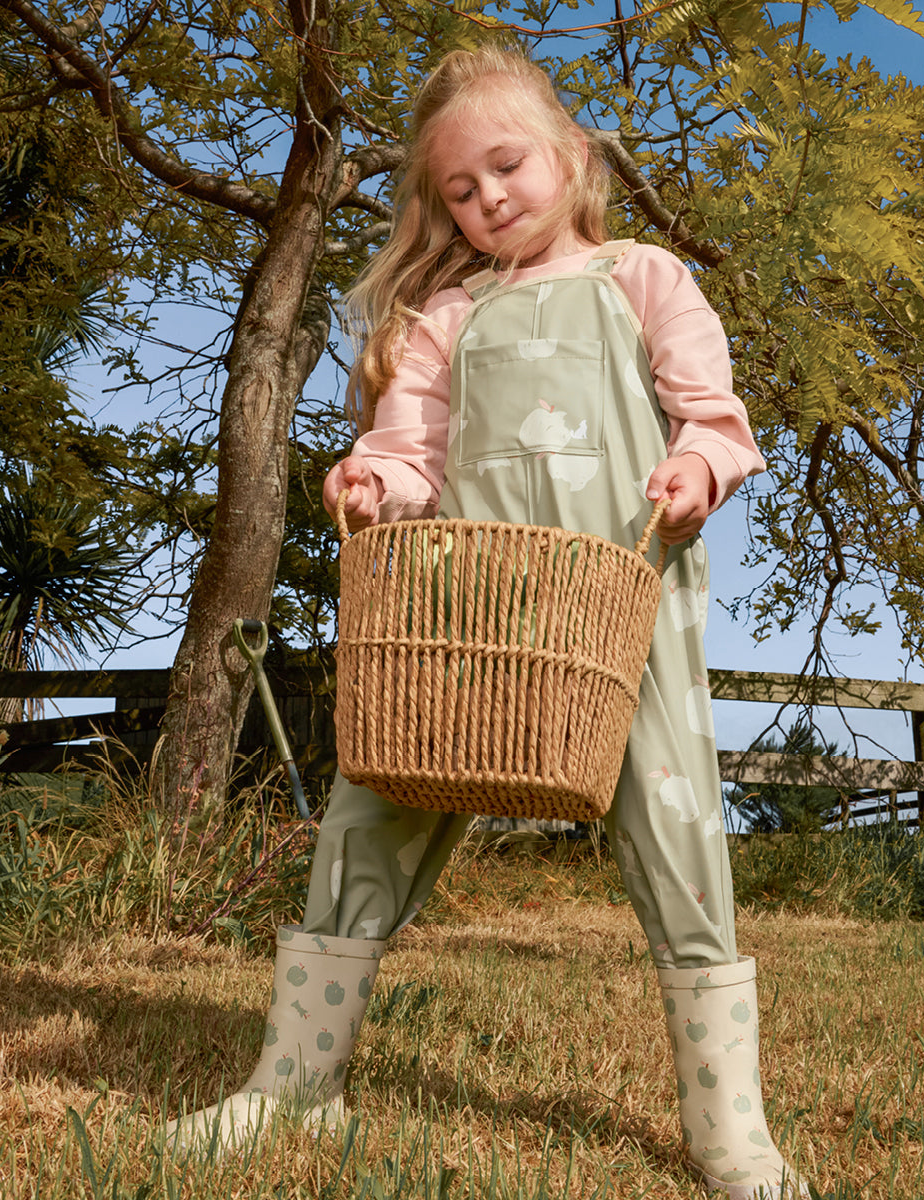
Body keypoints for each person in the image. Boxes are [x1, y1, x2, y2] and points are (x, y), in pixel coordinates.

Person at [166, 44, 802, 1200]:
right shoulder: (447, 313)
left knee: (677, 837)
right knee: (372, 806)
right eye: (458, 190)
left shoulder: (641, 276)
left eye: (505, 167)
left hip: (622, 611)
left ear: (568, 156)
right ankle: (295, 1081)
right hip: (469, 613)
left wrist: (694, 473)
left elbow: (716, 418)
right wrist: (373, 482)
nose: (487, 198)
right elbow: (411, 453)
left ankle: (732, 1130)